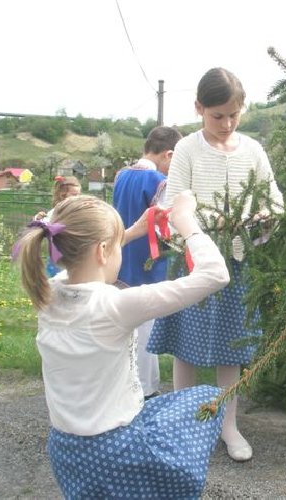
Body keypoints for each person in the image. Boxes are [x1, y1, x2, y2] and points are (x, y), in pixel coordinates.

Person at [12, 192, 231, 499]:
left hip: (66, 452)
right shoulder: (114, 306)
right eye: (116, 246)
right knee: (206, 398)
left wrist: (131, 232)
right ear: (103, 250)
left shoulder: (48, 292)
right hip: (115, 451)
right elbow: (215, 275)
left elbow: (83, 259)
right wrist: (186, 222)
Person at [147, 67, 284, 462]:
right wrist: (211, 221)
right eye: (217, 116)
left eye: (233, 115)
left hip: (237, 263)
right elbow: (173, 203)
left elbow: (274, 198)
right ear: (199, 108)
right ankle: (182, 424)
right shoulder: (187, 149)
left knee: (231, 349)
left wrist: (265, 215)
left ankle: (228, 425)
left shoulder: (253, 150)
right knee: (184, 345)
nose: (226, 124)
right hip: (191, 260)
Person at [113, 126, 183, 398]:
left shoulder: (121, 175)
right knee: (145, 329)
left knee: (124, 327)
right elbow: (168, 226)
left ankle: (124, 384)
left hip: (121, 255)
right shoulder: (158, 181)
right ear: (169, 154)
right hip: (147, 260)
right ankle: (145, 389)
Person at [34, 175, 82, 277]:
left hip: (74, 253)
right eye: (74, 195)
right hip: (59, 253)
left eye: (79, 194)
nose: (78, 198)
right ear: (63, 195)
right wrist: (37, 219)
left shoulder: (78, 211)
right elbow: (42, 227)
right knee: (57, 279)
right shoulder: (56, 212)